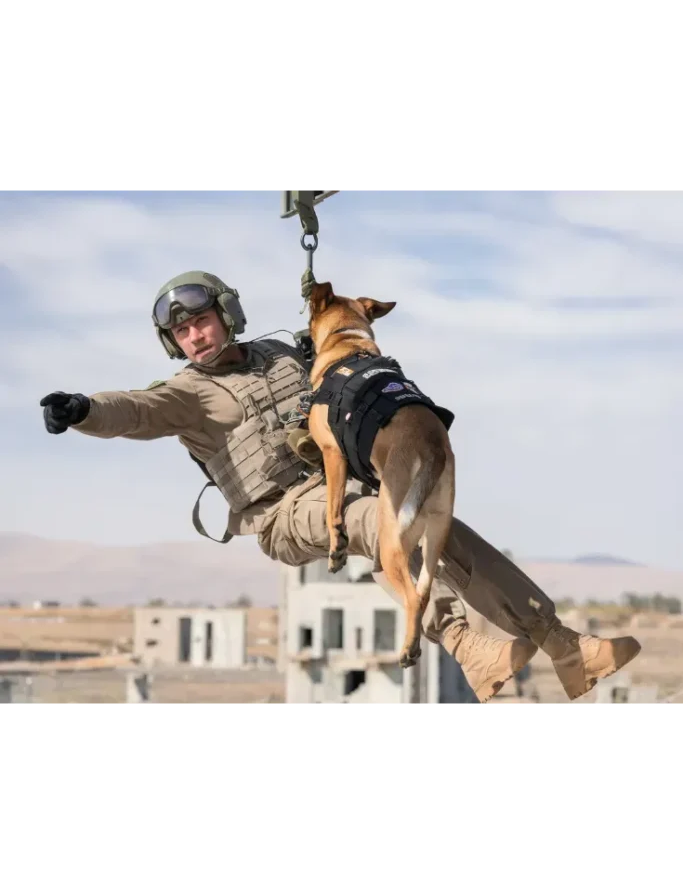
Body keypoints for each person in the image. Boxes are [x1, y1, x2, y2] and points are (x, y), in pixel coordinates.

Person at [39, 270, 641, 703]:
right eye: (184, 333)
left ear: (226, 315)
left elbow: (341, 347)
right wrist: (84, 408)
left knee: (436, 526)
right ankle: (463, 643)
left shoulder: (283, 354)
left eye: (201, 320)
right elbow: (136, 410)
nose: (196, 336)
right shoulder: (188, 395)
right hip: (280, 514)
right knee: (366, 519)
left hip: (342, 477)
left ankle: (564, 648)